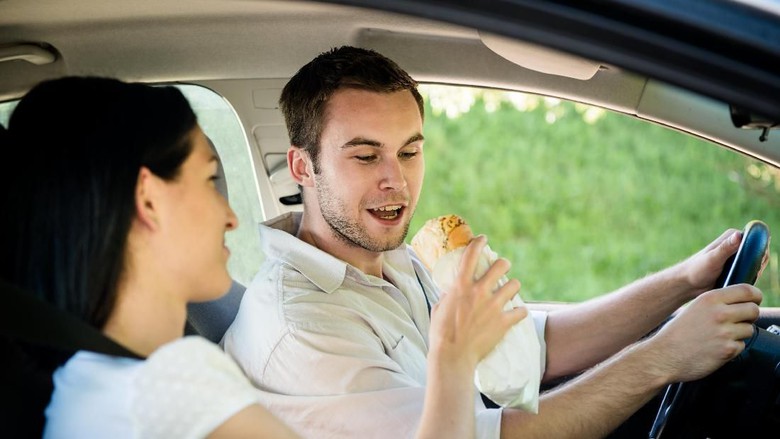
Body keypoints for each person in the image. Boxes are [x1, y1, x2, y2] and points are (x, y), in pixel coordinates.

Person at [222, 46, 763, 438]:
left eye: (409, 152)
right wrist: (663, 357)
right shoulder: (303, 329)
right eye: (365, 156)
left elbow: (532, 349)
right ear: (303, 167)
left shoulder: (391, 259)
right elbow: (490, 437)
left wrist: (682, 283)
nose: (398, 180)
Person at [0, 76, 522, 438]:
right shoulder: (165, 384)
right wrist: (451, 362)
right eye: (208, 180)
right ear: (149, 199)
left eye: (410, 150)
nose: (231, 217)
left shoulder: (89, 381)